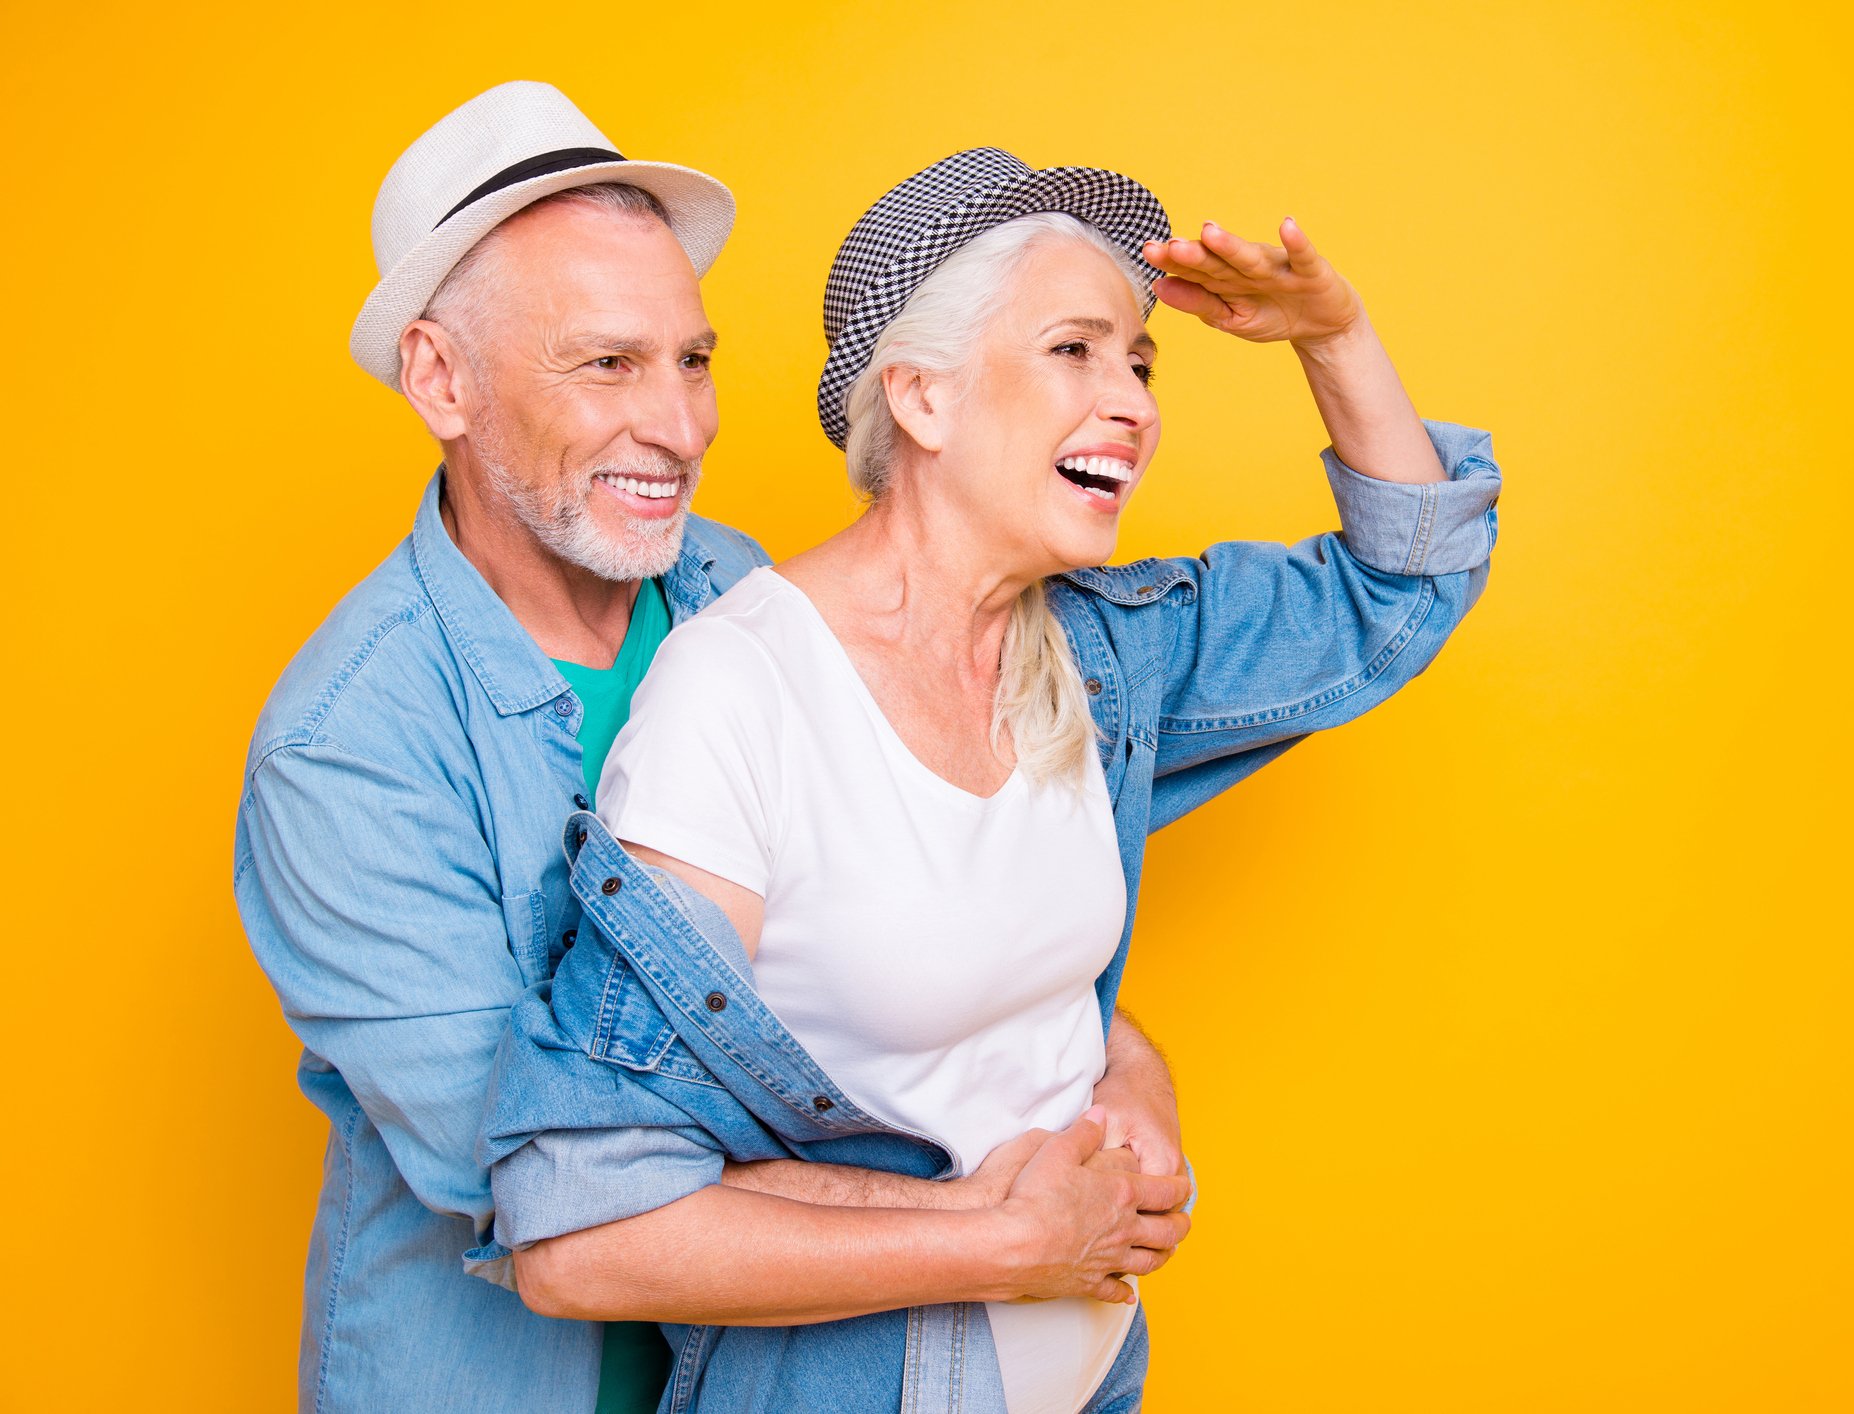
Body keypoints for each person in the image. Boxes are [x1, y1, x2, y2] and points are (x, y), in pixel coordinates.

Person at [481, 148, 1504, 1412]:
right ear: (919, 398)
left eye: (1139, 360)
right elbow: (580, 1227)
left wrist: (1334, 336)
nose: (1133, 401)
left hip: (1089, 1372)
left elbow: (1398, 587)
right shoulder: (740, 694)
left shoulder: (1096, 651)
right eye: (1074, 350)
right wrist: (1008, 1240)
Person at [235, 88, 1188, 1414]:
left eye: (691, 360)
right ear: (439, 379)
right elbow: (562, 1198)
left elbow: (932, 924)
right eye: (606, 364)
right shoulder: (347, 756)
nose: (683, 429)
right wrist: (999, 1215)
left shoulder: (746, 597)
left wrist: (1115, 1076)